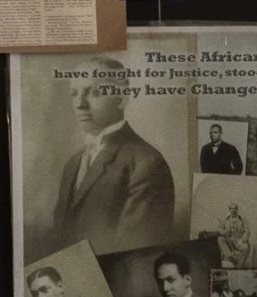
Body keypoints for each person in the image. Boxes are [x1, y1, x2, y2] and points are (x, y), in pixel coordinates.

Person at [49, 58, 173, 256]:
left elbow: (133, 252)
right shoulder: (73, 163)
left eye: (94, 92)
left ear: (122, 98)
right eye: (74, 93)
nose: (79, 104)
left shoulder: (147, 163)